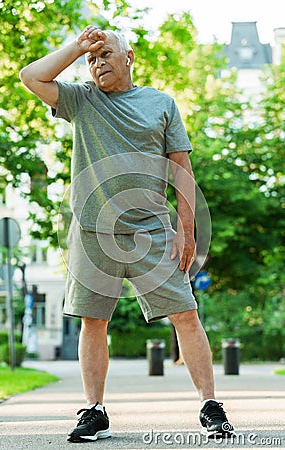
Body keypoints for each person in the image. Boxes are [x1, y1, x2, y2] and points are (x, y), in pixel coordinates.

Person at [20, 25, 234, 443]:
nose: (97, 64)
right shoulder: (82, 99)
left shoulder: (161, 104)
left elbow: (182, 173)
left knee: (185, 315)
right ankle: (94, 410)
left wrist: (185, 232)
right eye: (91, 59)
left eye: (105, 55)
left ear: (129, 57)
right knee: (93, 321)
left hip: (152, 230)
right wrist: (77, 47)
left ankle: (210, 405)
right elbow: (31, 77)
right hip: (91, 231)